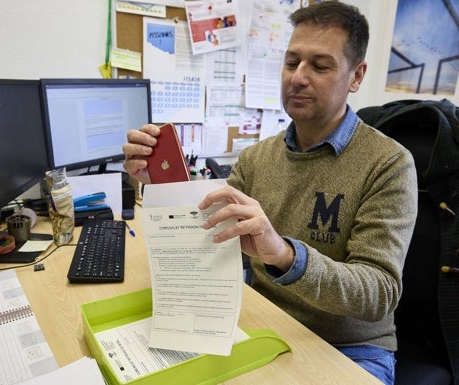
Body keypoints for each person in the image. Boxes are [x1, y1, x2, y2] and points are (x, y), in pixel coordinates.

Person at [122, 2, 417, 384]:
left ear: (356, 75)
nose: (298, 77)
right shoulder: (258, 157)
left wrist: (283, 254)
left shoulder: (389, 163)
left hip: (350, 347)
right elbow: (207, 231)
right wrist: (158, 181)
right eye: (291, 62)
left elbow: (379, 293)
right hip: (265, 322)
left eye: (320, 65)